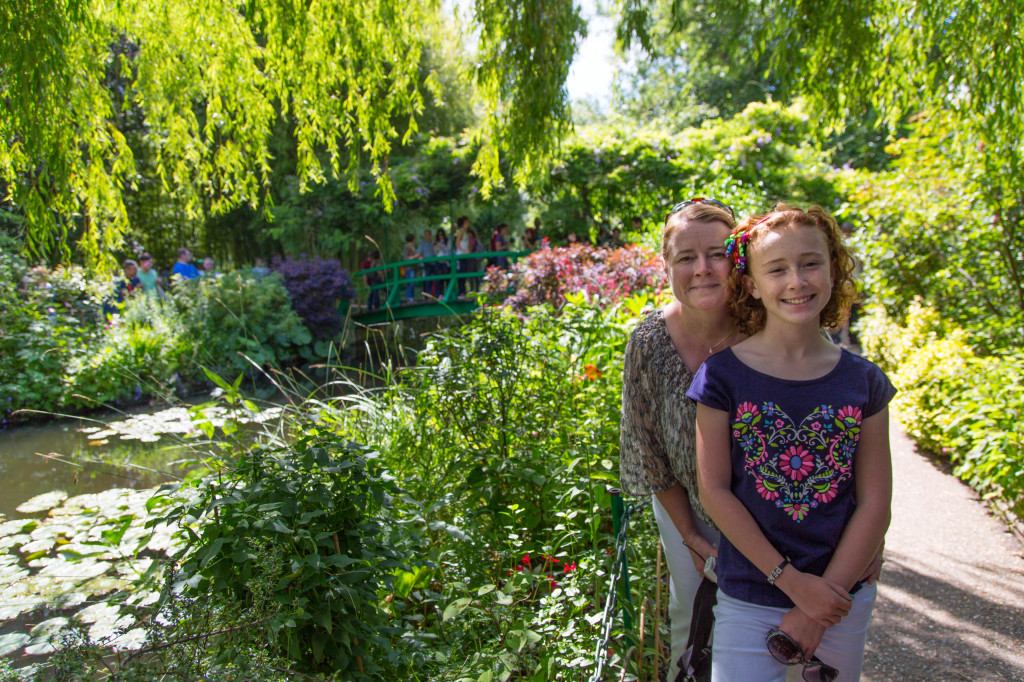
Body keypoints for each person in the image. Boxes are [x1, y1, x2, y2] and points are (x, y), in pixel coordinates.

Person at [687, 205, 894, 681]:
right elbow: (714, 492)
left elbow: (875, 502)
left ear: (834, 269)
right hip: (750, 594)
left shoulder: (864, 383)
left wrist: (825, 597)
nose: (797, 280)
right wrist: (794, 585)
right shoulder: (721, 378)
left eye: (811, 263)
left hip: (843, 598)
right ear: (753, 285)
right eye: (777, 269)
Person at [619, 197, 741, 682]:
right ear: (667, 265)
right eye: (686, 258)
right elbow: (648, 454)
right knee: (691, 616)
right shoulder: (648, 342)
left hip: (768, 507)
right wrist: (690, 535)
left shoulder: (765, 324)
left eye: (716, 253)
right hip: (685, 502)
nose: (703, 269)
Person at [401, 233, 421, 302]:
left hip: (414, 267)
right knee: (410, 282)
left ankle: (411, 297)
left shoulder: (413, 247)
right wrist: (415, 256)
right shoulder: (406, 247)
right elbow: (406, 258)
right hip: (409, 268)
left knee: (412, 283)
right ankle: (409, 298)